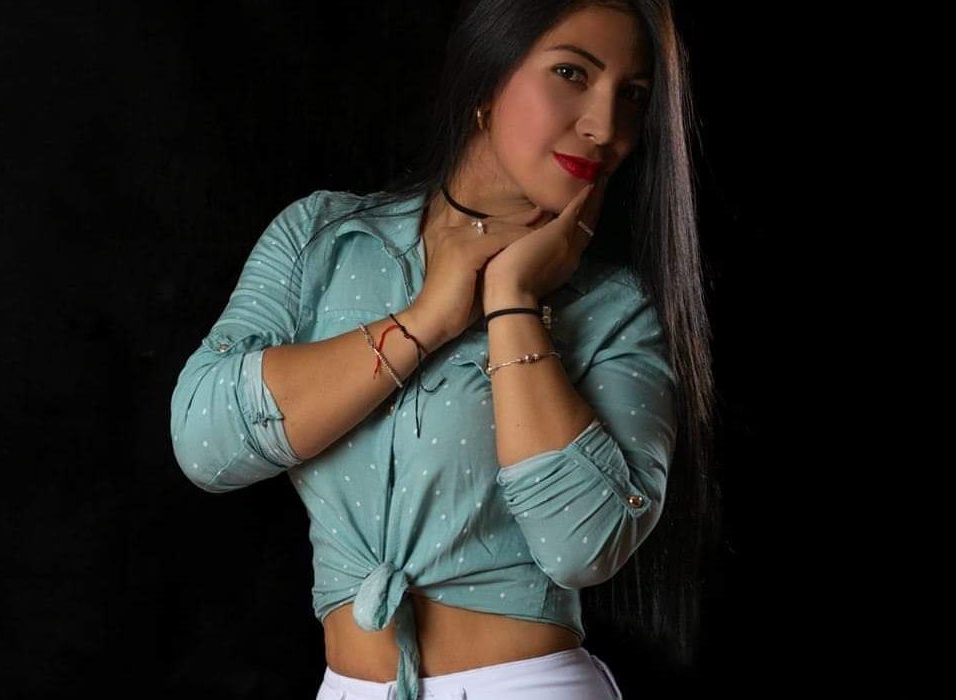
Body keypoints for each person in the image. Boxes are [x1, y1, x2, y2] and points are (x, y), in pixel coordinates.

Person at [170, 1, 717, 698]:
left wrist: (513, 299)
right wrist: (428, 317)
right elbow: (205, 442)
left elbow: (584, 545)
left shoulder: (613, 308)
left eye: (632, 96)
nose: (604, 127)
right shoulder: (324, 240)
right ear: (489, 77)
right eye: (572, 73)